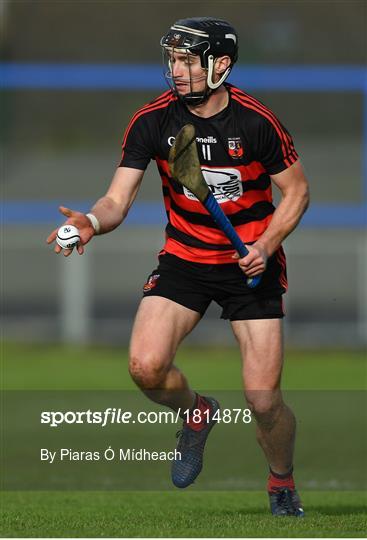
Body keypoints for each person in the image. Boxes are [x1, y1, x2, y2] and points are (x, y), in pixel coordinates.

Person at [47, 17, 309, 517]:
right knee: (145, 368)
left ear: (221, 66)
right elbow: (116, 200)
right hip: (185, 259)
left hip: (250, 265)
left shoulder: (257, 122)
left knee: (263, 400)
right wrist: (91, 223)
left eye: (189, 60)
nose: (177, 69)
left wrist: (267, 242)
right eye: (173, 60)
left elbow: (296, 192)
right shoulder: (152, 120)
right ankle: (197, 412)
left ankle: (281, 482)